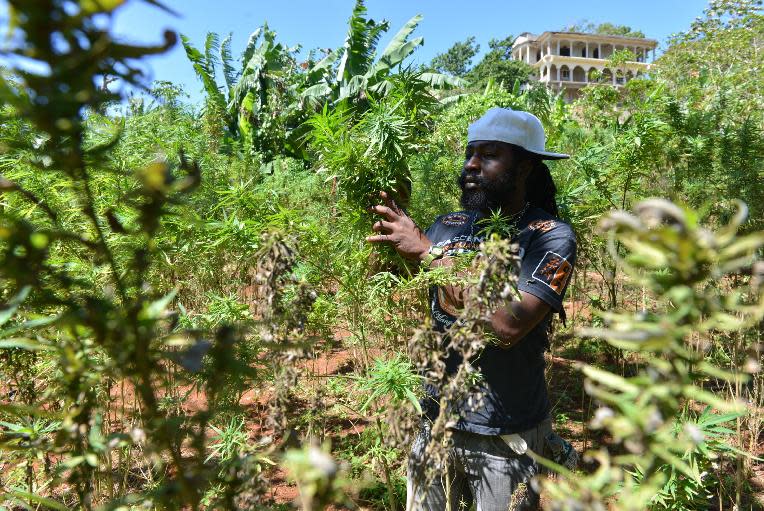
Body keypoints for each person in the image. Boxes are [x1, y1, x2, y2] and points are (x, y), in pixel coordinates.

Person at [367, 107, 577, 511]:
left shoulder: (549, 237)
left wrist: (429, 252)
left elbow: (508, 326)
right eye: (470, 153)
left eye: (489, 155)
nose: (472, 165)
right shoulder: (449, 224)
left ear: (526, 165)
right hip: (437, 419)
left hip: (503, 433)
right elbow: (393, 279)